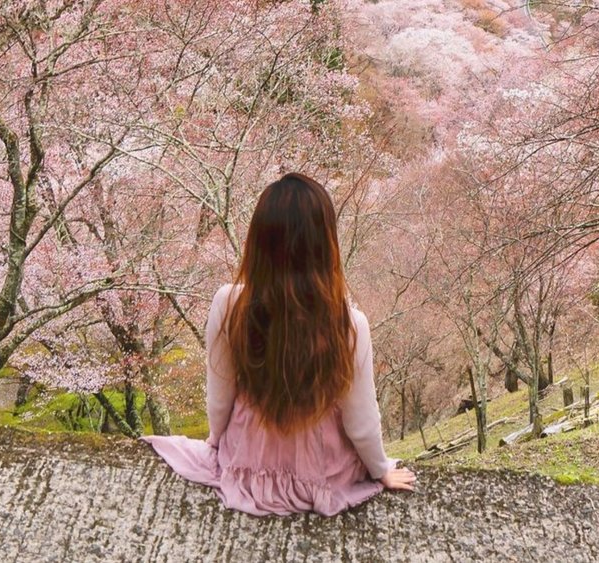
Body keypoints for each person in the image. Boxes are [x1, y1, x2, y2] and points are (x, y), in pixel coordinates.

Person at [142, 172, 415, 517]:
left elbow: (220, 392)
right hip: (319, 472)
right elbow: (360, 419)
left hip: (248, 464)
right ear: (325, 243)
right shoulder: (347, 324)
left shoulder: (229, 304)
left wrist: (216, 441)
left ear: (258, 241)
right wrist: (380, 469)